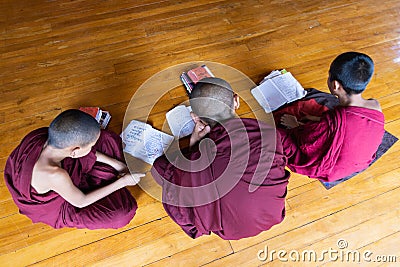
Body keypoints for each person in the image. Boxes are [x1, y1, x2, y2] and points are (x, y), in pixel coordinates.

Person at [151, 77, 289, 240]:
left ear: (195, 117)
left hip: (229, 227)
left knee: (160, 167)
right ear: (236, 101)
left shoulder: (202, 156)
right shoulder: (269, 134)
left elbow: (179, 177)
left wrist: (194, 147)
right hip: (269, 214)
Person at [4, 109, 144, 229]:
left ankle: (104, 176)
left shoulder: (42, 135)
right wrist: (123, 182)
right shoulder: (54, 174)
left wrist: (115, 163)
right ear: (75, 150)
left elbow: (86, 152)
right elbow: (81, 201)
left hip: (65, 162)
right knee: (122, 214)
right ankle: (107, 183)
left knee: (107, 139)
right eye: (89, 147)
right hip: (64, 203)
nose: (91, 149)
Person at [277, 52, 385, 182]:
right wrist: (316, 119)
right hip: (359, 162)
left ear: (335, 85)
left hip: (332, 168)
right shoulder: (375, 106)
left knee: (277, 136)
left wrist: (294, 125)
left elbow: (306, 143)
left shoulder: (331, 124)